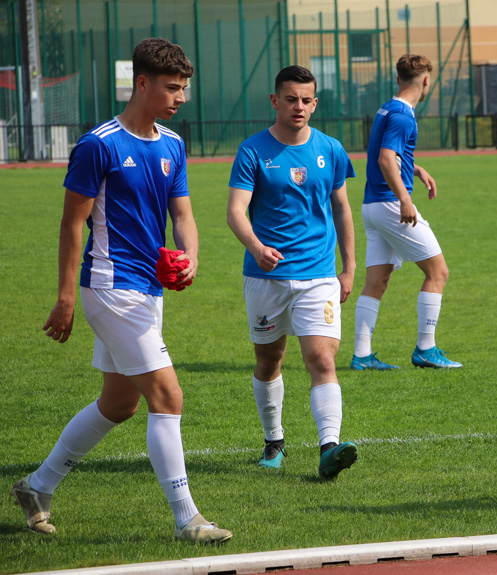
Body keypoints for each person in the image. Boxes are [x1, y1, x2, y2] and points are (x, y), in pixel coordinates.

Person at [11, 38, 232, 543]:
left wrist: (190, 256)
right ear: (142, 83)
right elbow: (73, 226)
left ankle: (37, 485)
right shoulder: (99, 144)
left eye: (184, 89)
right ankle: (187, 519)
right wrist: (66, 298)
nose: (180, 97)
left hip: (148, 289)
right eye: (172, 88)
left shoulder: (173, 144)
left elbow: (183, 215)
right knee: (168, 396)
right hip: (111, 287)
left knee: (118, 404)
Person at [227, 66, 358, 477]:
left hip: (318, 274)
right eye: (290, 99)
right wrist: (256, 247)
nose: (298, 106)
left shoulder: (331, 149)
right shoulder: (252, 151)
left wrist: (349, 266)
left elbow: (341, 207)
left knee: (321, 358)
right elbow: (235, 211)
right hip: (265, 277)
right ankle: (273, 441)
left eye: (306, 100)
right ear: (275, 101)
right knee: (270, 360)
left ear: (314, 103)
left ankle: (329, 448)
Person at [351, 54, 461, 371]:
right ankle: (426, 348)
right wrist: (405, 199)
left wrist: (415, 170)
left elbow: (387, 156)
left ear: (398, 79)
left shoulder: (388, 107)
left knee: (376, 281)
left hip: (372, 207)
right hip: (389, 205)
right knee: (438, 272)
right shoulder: (403, 115)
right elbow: (386, 159)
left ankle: (362, 355)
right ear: (426, 81)